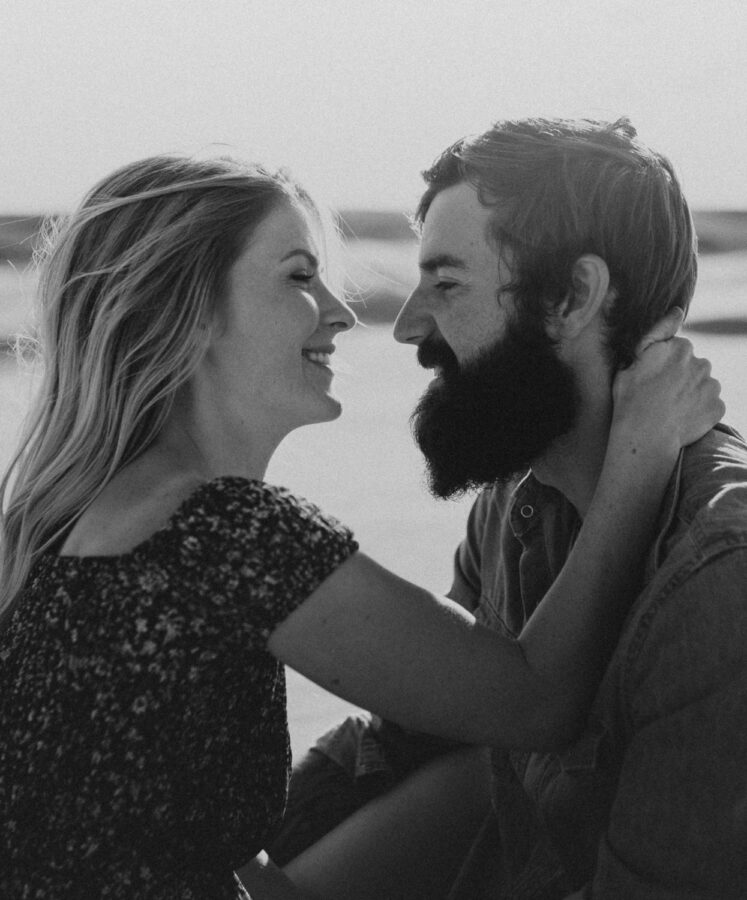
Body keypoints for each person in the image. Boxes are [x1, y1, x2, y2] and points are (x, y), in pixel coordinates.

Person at [0, 153, 720, 900]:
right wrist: (640, 456)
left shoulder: (52, 526)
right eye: (298, 277)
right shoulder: (220, 531)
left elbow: (151, 839)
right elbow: (532, 701)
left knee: (469, 784)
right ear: (182, 311)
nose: (343, 313)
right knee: (481, 779)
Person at [274, 118, 747, 899]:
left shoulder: (718, 583)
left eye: (447, 283)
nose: (407, 327)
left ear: (570, 296)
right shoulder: (515, 502)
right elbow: (420, 729)